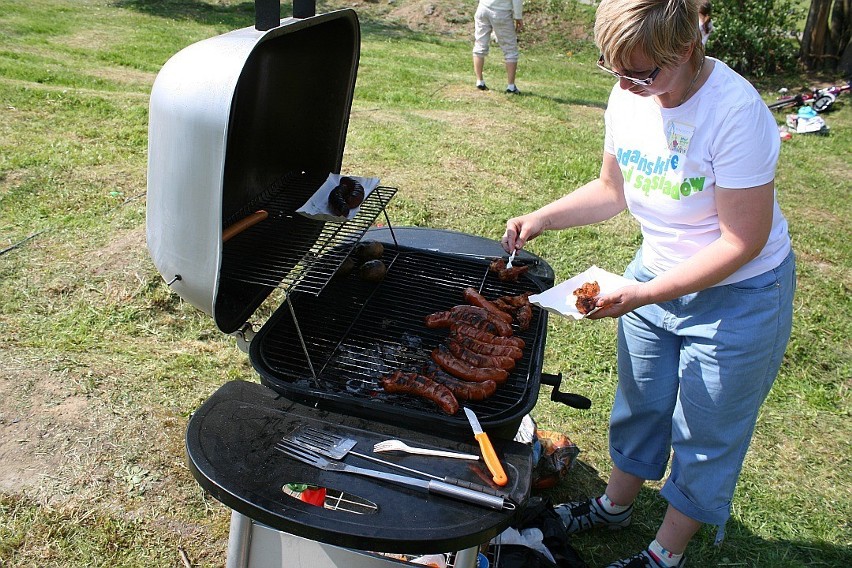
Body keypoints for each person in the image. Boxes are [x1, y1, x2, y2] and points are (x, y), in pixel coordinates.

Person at [500, 0, 796, 566]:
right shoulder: (628, 94)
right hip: (654, 272)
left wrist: (641, 294)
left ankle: (667, 551)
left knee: (707, 431)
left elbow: (742, 242)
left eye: (643, 74)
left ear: (686, 48)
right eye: (616, 71)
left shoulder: (735, 111)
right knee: (640, 403)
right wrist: (542, 217)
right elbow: (612, 189)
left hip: (739, 295)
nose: (630, 86)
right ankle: (615, 506)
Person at [472, 0, 523, 94]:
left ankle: (479, 81)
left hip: (483, 7)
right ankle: (511, 86)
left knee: (480, 44)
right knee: (510, 49)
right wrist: (518, 16)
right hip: (501, 11)